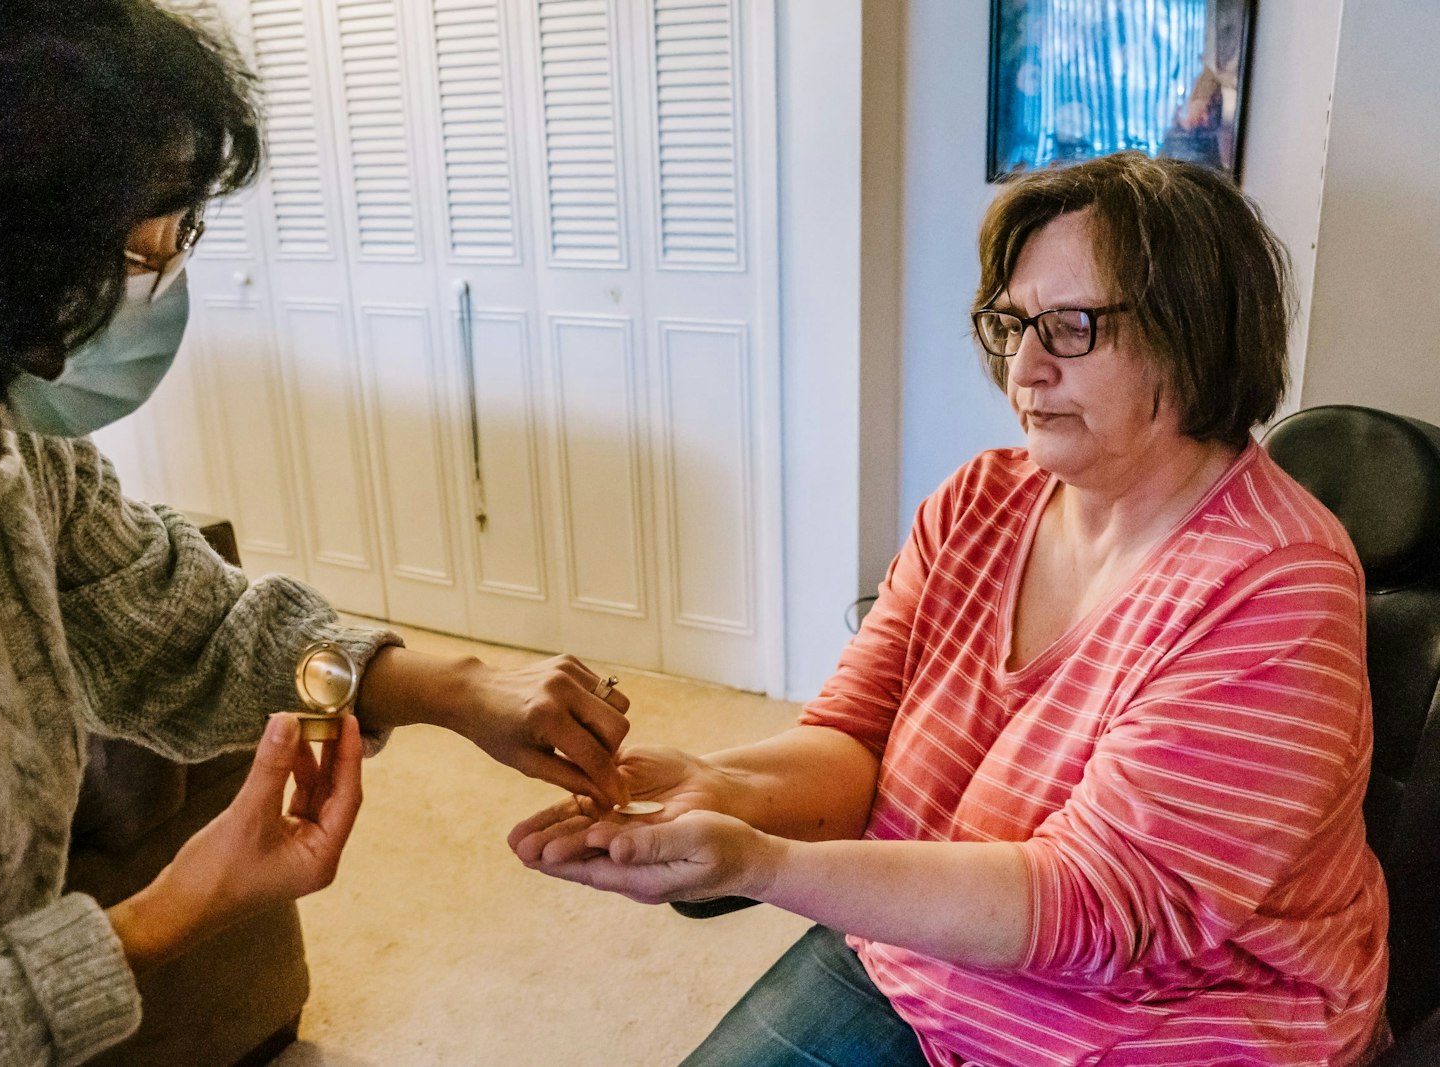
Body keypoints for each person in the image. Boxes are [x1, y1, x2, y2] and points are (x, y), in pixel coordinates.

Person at [0, 3, 631, 1063]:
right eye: (151, 238)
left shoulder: (3, 439)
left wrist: (451, 683)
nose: (167, 275)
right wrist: (170, 913)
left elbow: (179, 616)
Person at [512, 151, 1388, 1066]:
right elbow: (853, 738)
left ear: (1198, 331)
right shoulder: (979, 500)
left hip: (1160, 1025)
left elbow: (1092, 905)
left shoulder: (1277, 585)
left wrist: (763, 864)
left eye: (1073, 326)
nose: (1026, 367)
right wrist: (721, 785)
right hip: (924, 951)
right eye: (1013, 323)